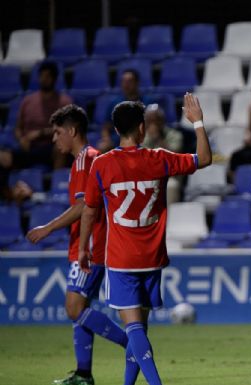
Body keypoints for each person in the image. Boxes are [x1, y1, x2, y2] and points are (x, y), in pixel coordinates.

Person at [78, 94, 211, 385]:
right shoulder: (159, 158)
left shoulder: (102, 164)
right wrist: (198, 122)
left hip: (121, 259)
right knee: (140, 329)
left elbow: (89, 212)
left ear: (115, 130)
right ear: (142, 128)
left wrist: (83, 249)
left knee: (134, 329)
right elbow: (204, 159)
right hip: (151, 258)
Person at [25, 104, 128, 385]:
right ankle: (83, 374)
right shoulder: (84, 160)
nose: (55, 139)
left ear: (72, 131)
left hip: (91, 248)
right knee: (79, 311)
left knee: (74, 308)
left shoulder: (86, 160)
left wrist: (48, 228)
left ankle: (131, 345)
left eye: (58, 133)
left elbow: (84, 206)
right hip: (86, 246)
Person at [13, 61, 73, 169]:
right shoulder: (27, 101)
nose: (44, 79)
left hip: (51, 146)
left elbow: (68, 129)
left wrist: (41, 133)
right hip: (29, 147)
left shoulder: (64, 102)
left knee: (61, 148)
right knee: (4, 157)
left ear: (54, 78)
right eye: (42, 76)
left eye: (48, 76)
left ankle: (57, 182)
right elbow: (18, 128)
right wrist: (22, 139)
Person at [98, 69, 154, 152]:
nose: (126, 84)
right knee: (103, 146)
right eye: (123, 81)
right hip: (118, 139)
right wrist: (106, 139)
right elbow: (106, 127)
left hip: (141, 138)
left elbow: (152, 124)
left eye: (130, 81)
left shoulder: (148, 102)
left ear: (137, 82)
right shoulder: (114, 103)